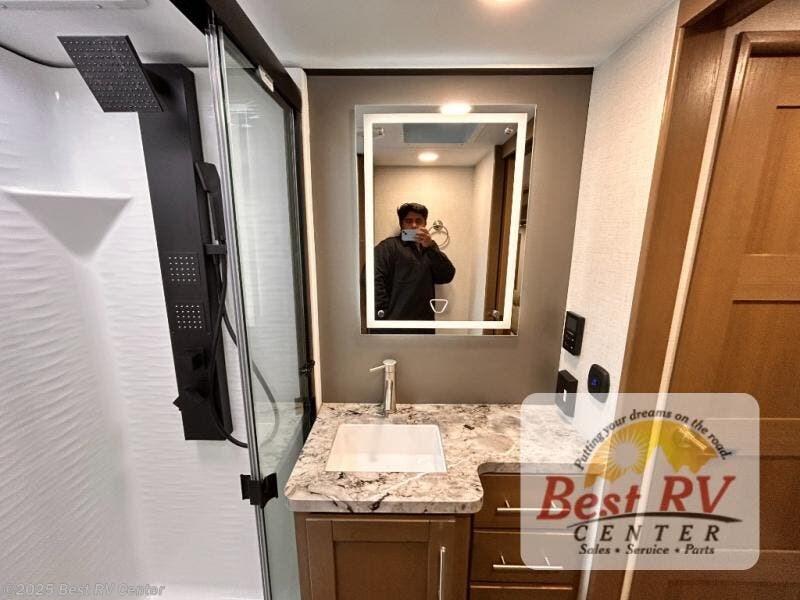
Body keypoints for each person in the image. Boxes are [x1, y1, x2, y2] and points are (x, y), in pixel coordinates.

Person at [374, 202, 455, 328]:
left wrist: (430, 246)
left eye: (418, 221)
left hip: (424, 325)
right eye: (408, 221)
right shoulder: (388, 247)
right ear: (401, 224)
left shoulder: (429, 250)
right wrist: (383, 313)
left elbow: (447, 276)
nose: (414, 225)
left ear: (425, 224)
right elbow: (372, 278)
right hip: (394, 326)